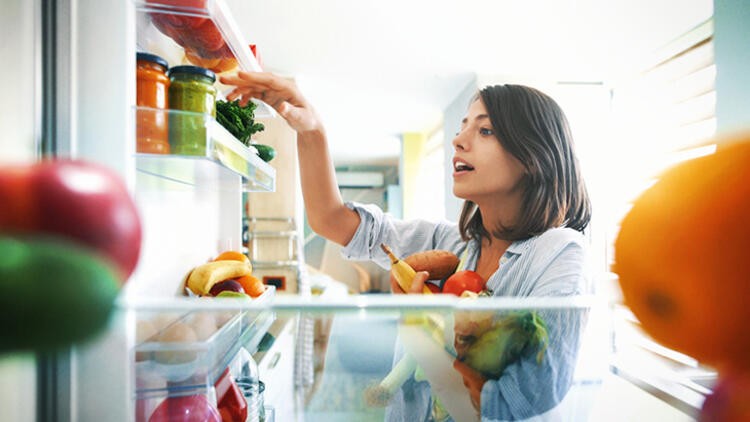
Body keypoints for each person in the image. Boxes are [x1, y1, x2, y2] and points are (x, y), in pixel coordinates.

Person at [221, 71, 592, 421]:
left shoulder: (559, 254)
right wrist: (311, 129)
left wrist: (417, 328)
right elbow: (331, 220)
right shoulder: (451, 244)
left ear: (532, 156)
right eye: (463, 126)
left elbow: (506, 407)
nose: (459, 140)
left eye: (486, 130)